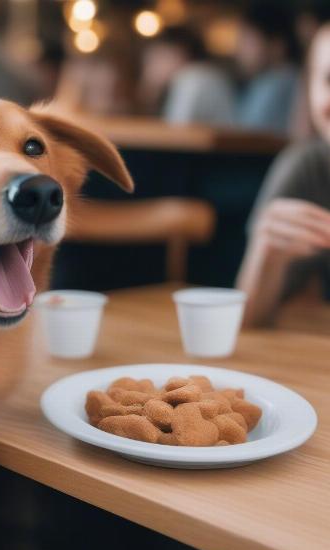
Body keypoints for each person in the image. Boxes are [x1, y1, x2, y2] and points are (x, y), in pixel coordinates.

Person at [237, 24, 330, 327]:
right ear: (311, 88)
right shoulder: (305, 166)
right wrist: (267, 256)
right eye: (329, 80)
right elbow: (247, 322)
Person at [138, 26, 235, 126]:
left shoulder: (194, 79)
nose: (149, 69)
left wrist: (150, 91)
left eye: (154, 59)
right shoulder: (202, 75)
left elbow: (176, 133)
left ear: (177, 53)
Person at [234, 2, 300, 135]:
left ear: (277, 46)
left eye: (248, 40)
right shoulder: (268, 80)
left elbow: (245, 134)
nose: (239, 50)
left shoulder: (279, 80)